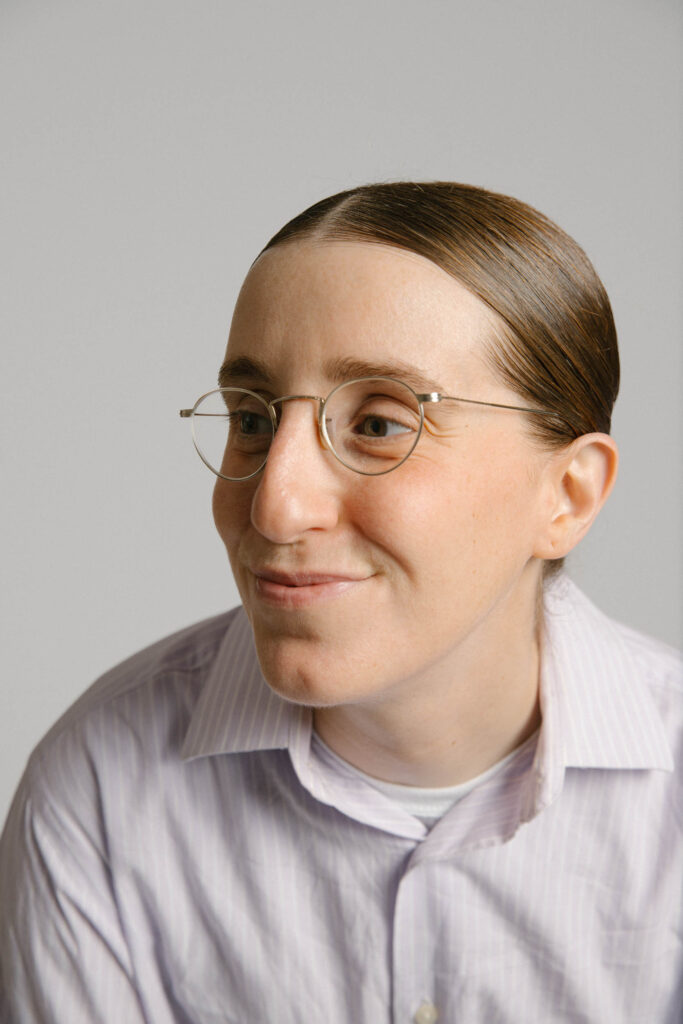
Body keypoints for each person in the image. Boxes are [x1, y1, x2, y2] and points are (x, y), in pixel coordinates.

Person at [1, 182, 681, 1024]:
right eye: (252, 419)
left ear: (567, 495)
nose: (273, 505)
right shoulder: (99, 785)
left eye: (380, 424)